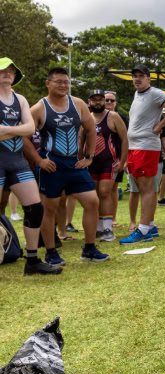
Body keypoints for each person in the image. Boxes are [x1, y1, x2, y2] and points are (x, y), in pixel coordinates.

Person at [23, 67, 107, 265]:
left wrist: (89, 156)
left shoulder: (77, 103)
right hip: (51, 164)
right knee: (49, 208)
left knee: (92, 202)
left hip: (75, 163)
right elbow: (25, 139)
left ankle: (89, 248)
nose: (63, 85)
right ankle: (51, 252)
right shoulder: (39, 108)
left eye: (66, 82)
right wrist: (39, 161)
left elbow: (90, 129)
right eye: (58, 82)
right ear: (48, 84)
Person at [0, 58, 61, 274]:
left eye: (11, 71)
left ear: (15, 76)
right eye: (3, 70)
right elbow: (24, 128)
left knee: (35, 208)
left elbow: (30, 129)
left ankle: (33, 261)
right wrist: (19, 128)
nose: (7, 74)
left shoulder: (21, 99)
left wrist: (6, 130)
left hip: (17, 161)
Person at [119, 64, 165, 244]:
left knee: (146, 189)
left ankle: (144, 230)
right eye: (134, 76)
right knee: (141, 187)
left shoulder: (154, 92)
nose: (137, 79)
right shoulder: (138, 94)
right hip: (136, 147)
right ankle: (150, 225)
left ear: (149, 78)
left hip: (146, 147)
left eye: (141, 76)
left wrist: (161, 125)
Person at [85, 89, 128, 243]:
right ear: (89, 102)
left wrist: (123, 161)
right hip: (91, 163)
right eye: (94, 100)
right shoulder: (86, 118)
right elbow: (80, 141)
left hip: (109, 162)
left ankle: (108, 229)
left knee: (104, 192)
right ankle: (97, 228)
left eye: (101, 99)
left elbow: (124, 139)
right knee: (93, 196)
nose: (98, 102)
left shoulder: (113, 117)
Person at [105, 91, 124, 227]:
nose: (109, 103)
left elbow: (126, 140)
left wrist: (124, 160)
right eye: (107, 100)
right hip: (97, 160)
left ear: (116, 103)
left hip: (116, 159)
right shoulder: (92, 117)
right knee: (97, 190)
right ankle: (99, 218)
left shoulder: (121, 118)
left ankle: (112, 218)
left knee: (113, 189)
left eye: (112, 100)